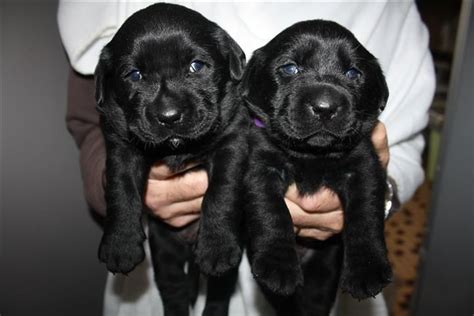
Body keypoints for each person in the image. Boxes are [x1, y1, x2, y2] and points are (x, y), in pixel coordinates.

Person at [58, 1, 435, 315]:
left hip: (326, 271)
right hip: (155, 252)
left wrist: (374, 203)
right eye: (290, 69)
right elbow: (94, 115)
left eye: (196, 67)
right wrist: (114, 189)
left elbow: (404, 139)